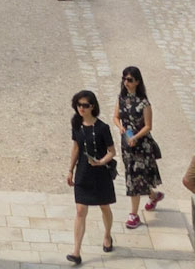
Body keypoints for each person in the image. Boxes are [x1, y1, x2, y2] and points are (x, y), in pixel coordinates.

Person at [67, 89, 117, 261]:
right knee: (80, 211)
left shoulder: (103, 128)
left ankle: (108, 235)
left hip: (100, 173)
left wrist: (101, 162)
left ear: (92, 107)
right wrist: (70, 170)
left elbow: (112, 151)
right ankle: (76, 251)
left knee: (104, 207)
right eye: (79, 105)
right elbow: (75, 148)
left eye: (85, 105)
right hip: (83, 172)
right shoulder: (77, 125)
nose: (81, 108)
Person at [116, 66, 163, 226]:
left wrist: (135, 136)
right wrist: (121, 127)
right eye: (124, 79)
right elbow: (116, 117)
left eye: (129, 80)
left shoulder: (144, 103)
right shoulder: (121, 98)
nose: (126, 82)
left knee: (135, 179)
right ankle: (153, 195)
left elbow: (148, 126)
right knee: (134, 176)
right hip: (127, 144)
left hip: (141, 145)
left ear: (137, 82)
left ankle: (133, 215)